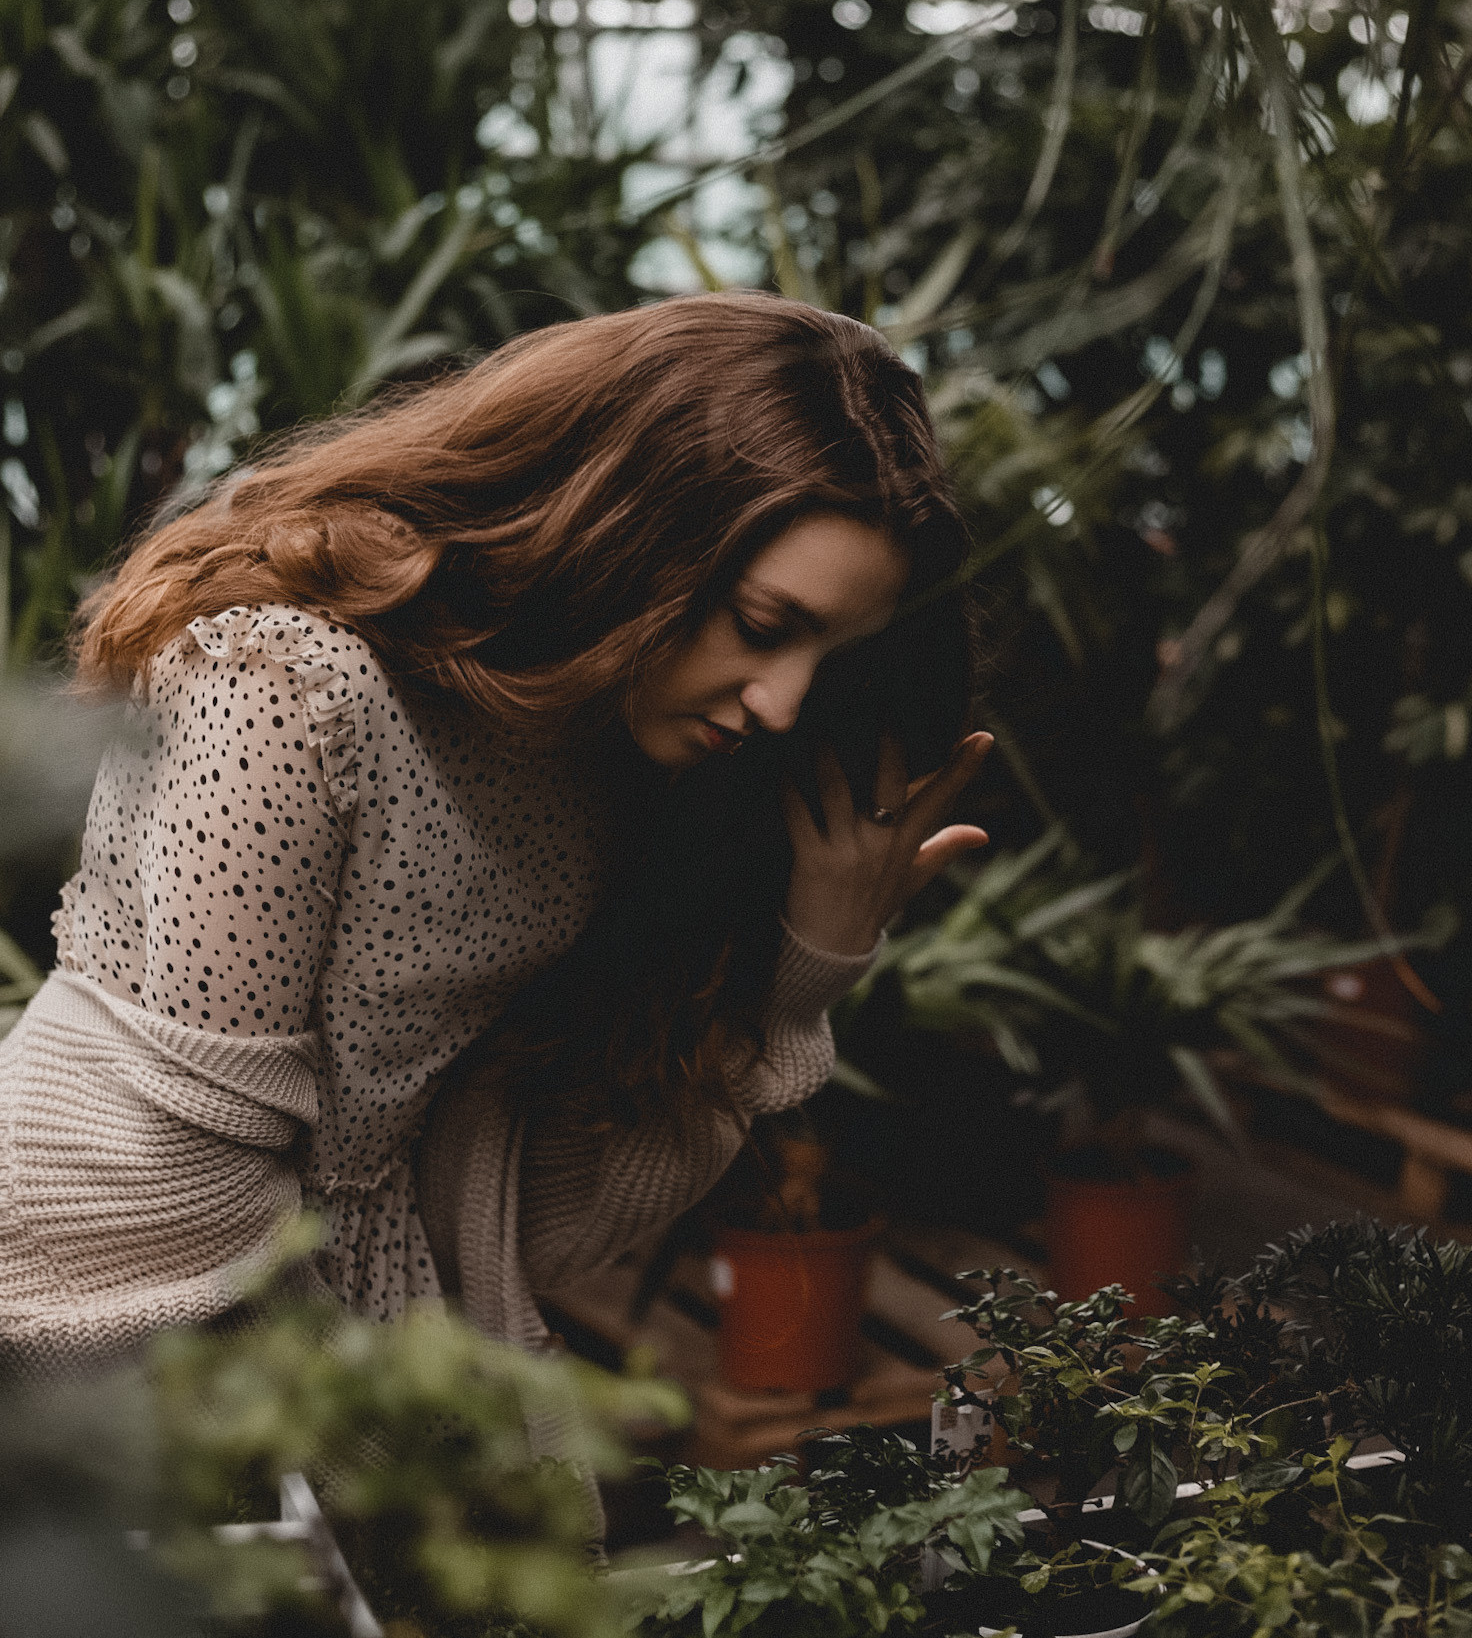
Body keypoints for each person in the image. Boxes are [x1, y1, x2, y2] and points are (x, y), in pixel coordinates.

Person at [0, 294, 990, 1377]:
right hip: (85, 1325)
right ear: (632, 530)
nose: (785, 706)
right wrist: (417, 1464)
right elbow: (190, 1190)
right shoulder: (286, 690)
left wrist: (803, 972)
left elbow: (522, 1230)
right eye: (762, 625)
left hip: (318, 1335)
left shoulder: (594, 747)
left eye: (830, 658)